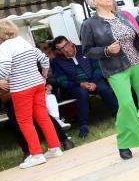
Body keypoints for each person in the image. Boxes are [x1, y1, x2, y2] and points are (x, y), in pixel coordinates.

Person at [80, 0, 139, 160]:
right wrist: (106, 50)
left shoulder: (121, 16)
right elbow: (87, 51)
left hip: (137, 63)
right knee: (127, 104)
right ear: (93, 1)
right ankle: (125, 143)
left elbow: (132, 39)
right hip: (115, 68)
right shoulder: (89, 24)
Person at [0, 19, 63, 168]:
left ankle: (36, 154)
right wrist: (44, 78)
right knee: (43, 117)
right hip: (37, 84)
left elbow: (5, 70)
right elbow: (44, 60)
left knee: (24, 121)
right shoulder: (23, 41)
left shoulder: (4, 47)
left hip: (21, 88)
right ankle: (54, 148)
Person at [51, 35, 119, 138]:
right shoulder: (57, 61)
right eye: (61, 48)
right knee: (82, 94)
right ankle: (84, 125)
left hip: (94, 79)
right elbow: (62, 81)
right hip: (76, 85)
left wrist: (94, 82)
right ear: (58, 50)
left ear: (70, 42)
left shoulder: (84, 50)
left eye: (65, 45)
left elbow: (98, 67)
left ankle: (118, 114)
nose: (65, 49)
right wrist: (79, 84)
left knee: (104, 88)